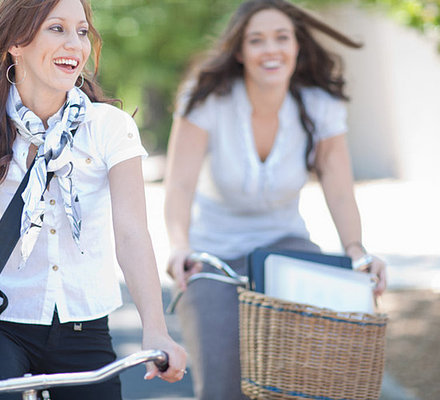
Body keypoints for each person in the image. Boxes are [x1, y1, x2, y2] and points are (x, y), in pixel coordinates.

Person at [0, 0, 186, 399]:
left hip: (85, 323)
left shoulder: (109, 128)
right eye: (56, 28)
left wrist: (155, 328)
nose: (75, 44)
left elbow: (131, 233)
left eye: (81, 31)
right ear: (16, 42)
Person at [163, 1, 387, 399]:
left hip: (286, 244)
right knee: (222, 385)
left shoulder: (320, 105)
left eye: (282, 38)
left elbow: (339, 188)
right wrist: (180, 245)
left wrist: (357, 251)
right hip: (214, 252)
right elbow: (179, 184)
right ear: (239, 51)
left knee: (305, 380)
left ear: (297, 46)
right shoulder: (207, 99)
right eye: (257, 40)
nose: (271, 49)